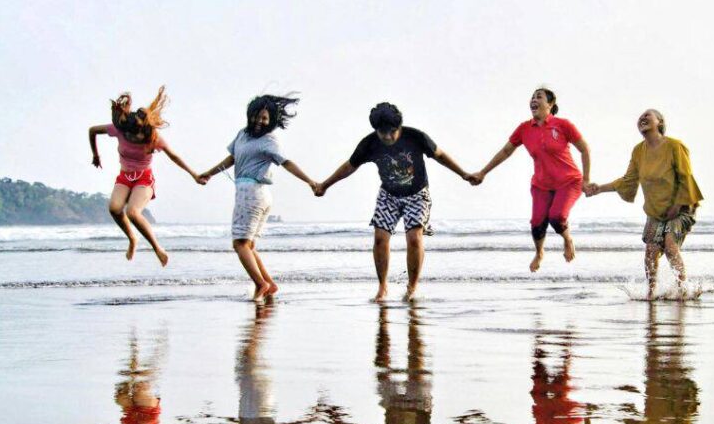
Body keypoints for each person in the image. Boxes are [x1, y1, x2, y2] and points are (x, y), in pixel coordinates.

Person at [314, 102, 472, 302]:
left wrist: (464, 174)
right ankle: (382, 287)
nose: (388, 137)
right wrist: (326, 184)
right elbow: (349, 166)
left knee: (414, 238)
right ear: (376, 130)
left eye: (392, 132)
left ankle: (412, 288)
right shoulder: (369, 144)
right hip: (388, 195)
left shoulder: (416, 137)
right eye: (382, 133)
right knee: (380, 238)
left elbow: (440, 155)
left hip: (417, 194)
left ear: (400, 126)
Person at [200, 94, 318, 303]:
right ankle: (269, 283)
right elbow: (232, 158)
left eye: (264, 118)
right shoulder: (242, 135)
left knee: (240, 244)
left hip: (252, 193)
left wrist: (310, 181)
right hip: (253, 194)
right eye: (256, 116)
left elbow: (287, 162)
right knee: (249, 246)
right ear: (250, 115)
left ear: (271, 120)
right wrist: (209, 173)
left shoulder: (269, 140)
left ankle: (260, 284)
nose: (259, 121)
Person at [585, 109, 703, 298]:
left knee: (671, 245)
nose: (642, 118)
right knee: (651, 251)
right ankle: (651, 293)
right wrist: (599, 188)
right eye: (640, 117)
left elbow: (685, 175)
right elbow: (628, 180)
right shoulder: (639, 151)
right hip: (656, 210)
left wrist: (678, 204)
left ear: (660, 122)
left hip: (681, 207)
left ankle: (683, 290)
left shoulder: (675, 146)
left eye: (648, 116)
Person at [470, 87, 591, 272]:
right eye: (532, 97)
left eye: (539, 97)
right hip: (541, 184)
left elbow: (585, 149)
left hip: (569, 181)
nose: (534, 100)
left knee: (556, 217)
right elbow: (506, 151)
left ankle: (568, 239)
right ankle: (539, 252)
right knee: (536, 223)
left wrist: (587, 180)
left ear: (550, 104)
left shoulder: (563, 125)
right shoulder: (524, 128)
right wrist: (483, 172)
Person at [88, 86, 206, 266]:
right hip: (125, 176)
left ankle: (157, 248)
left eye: (137, 135)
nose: (132, 137)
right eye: (129, 134)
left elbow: (174, 156)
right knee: (114, 208)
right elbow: (92, 131)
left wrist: (194, 174)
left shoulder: (154, 138)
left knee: (133, 212)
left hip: (144, 178)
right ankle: (132, 239)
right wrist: (95, 155)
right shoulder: (120, 129)